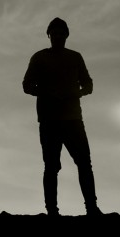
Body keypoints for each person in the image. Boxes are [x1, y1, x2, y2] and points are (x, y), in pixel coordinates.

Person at [22, 17, 101, 216]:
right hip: (49, 120)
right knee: (51, 166)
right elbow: (27, 85)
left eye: (61, 32)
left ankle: (91, 208)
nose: (57, 36)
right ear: (49, 35)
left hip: (73, 119)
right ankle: (52, 210)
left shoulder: (75, 57)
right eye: (54, 33)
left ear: (66, 35)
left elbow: (88, 84)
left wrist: (76, 93)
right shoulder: (39, 57)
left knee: (84, 164)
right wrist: (47, 93)